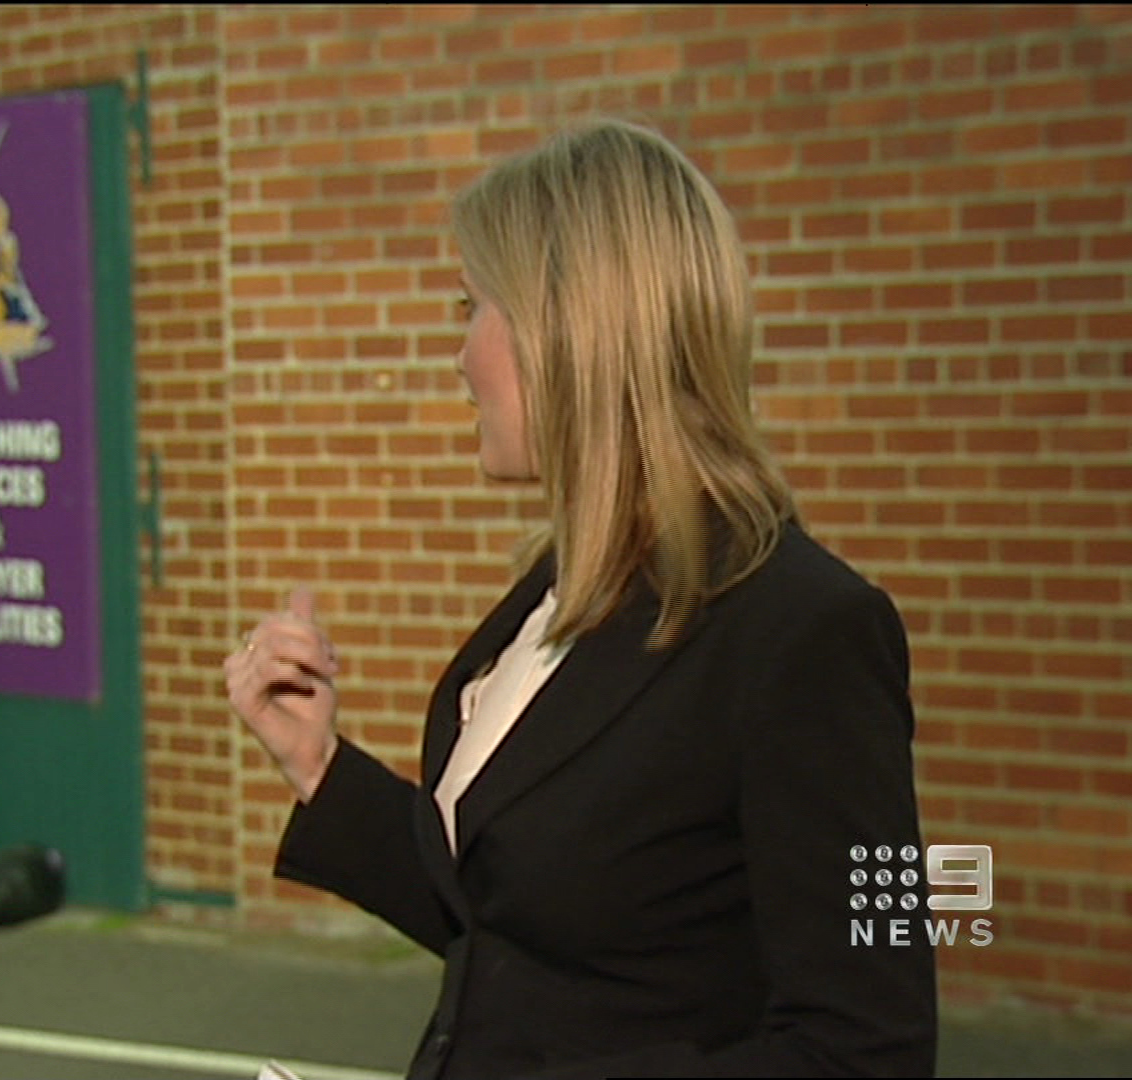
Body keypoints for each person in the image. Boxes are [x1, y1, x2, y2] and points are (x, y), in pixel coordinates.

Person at [224, 118, 936, 1078]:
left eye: (473, 306)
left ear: (570, 330)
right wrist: (317, 763)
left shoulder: (811, 635)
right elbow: (517, 929)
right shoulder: (563, 590)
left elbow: (867, 1053)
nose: (459, 354)